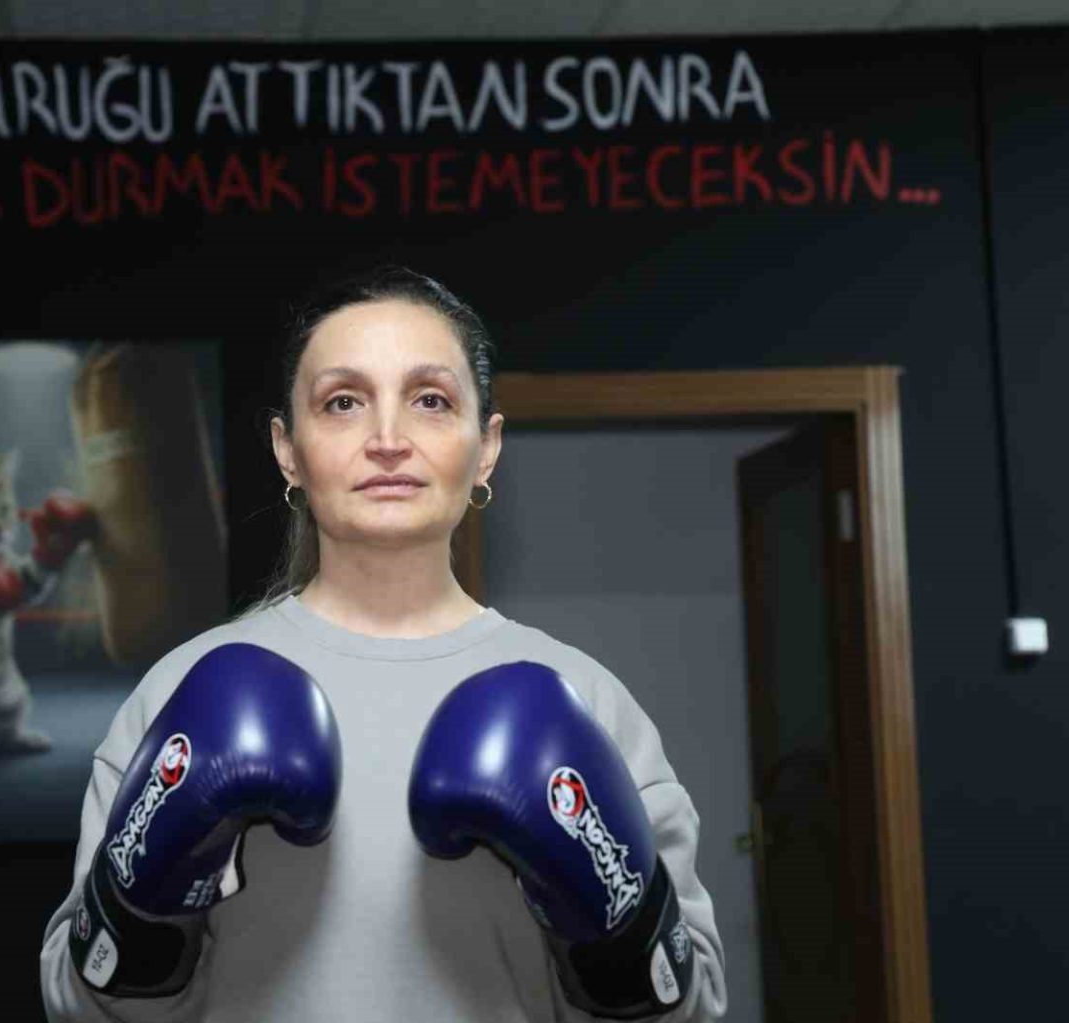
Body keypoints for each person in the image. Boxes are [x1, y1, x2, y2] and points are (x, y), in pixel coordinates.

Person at [40, 266, 728, 1022]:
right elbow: (79, 999)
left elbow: (687, 1004)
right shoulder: (183, 688)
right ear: (287, 450)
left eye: (431, 400)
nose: (389, 440)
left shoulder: (585, 698)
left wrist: (618, 928)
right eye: (343, 402)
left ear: (486, 447)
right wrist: (141, 912)